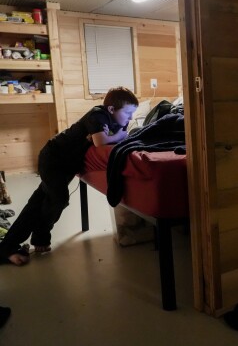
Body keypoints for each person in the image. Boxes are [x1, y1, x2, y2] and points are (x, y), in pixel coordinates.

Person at [0, 87, 138, 266]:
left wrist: (117, 134)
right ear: (111, 109)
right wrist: (118, 135)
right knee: (58, 199)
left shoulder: (117, 122)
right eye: (128, 113)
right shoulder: (98, 114)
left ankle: (13, 246)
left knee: (39, 202)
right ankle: (38, 236)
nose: (130, 118)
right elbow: (100, 141)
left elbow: (112, 137)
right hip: (54, 158)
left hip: (67, 165)